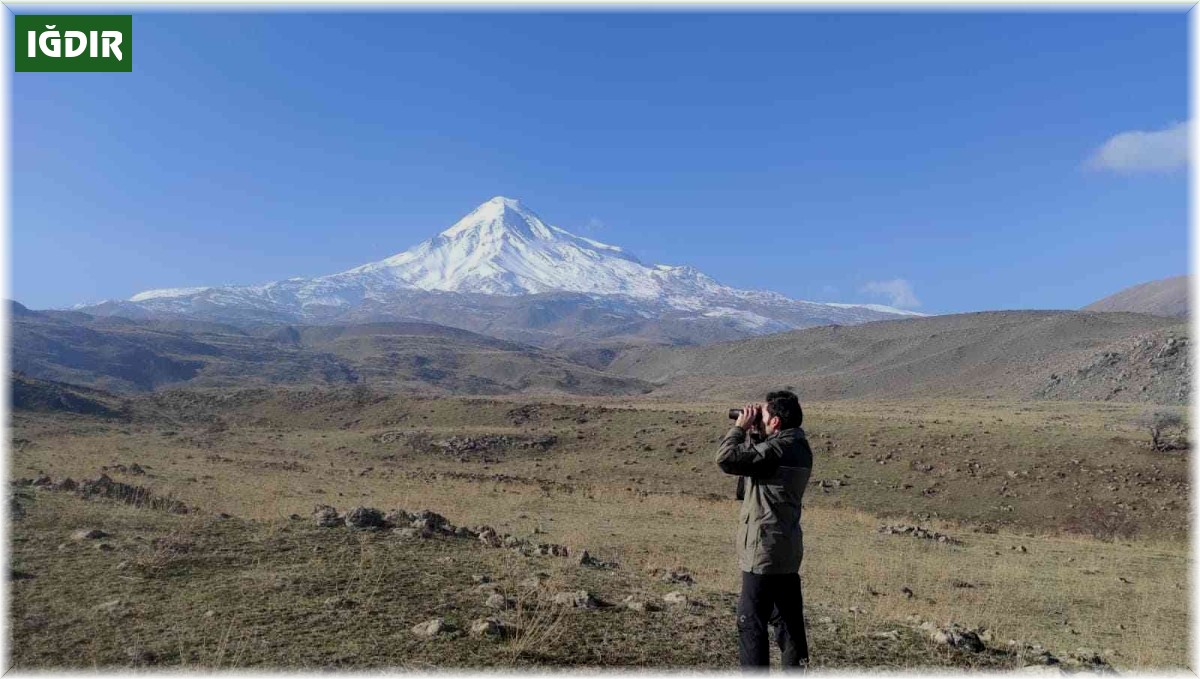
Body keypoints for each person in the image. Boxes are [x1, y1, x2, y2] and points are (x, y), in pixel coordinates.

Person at [716, 390, 814, 670]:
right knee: (788, 623)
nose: (759, 417)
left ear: (776, 423)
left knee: (751, 623)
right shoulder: (799, 447)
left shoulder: (775, 451)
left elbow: (726, 459)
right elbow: (757, 472)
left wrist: (739, 428)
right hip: (786, 551)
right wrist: (758, 435)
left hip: (763, 553)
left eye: (764, 414)